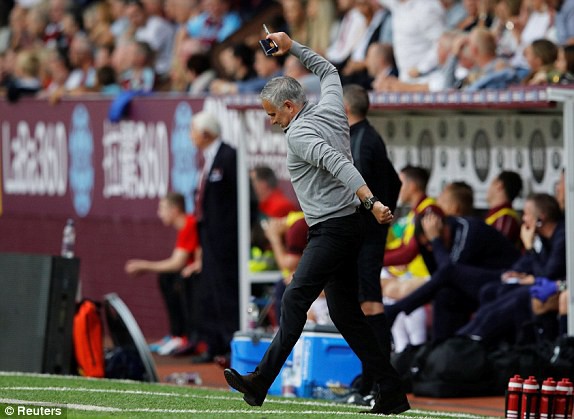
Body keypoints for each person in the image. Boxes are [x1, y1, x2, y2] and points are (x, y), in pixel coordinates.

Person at [223, 31, 409, 415]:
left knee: (294, 297)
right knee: (345, 314)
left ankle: (260, 380)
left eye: (273, 114)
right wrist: (292, 48)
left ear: (290, 107)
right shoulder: (331, 106)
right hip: (347, 227)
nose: (272, 122)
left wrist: (372, 201)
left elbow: (340, 164)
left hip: (334, 228)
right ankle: (390, 389)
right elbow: (327, 69)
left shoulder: (300, 134)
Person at [341, 83, 402, 405]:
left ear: (346, 108)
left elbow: (360, 186)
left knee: (369, 305)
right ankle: (371, 381)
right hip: (366, 235)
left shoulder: (362, 139)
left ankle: (377, 383)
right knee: (361, 305)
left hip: (364, 236)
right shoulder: (365, 135)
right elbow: (395, 181)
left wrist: (375, 219)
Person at [457, 193, 566, 346]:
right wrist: (517, 273)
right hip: (538, 284)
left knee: (507, 304)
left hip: (554, 289)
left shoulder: (562, 236)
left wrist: (529, 248)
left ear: (541, 218)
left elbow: (548, 275)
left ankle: (470, 343)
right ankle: (460, 340)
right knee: (492, 291)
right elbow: (529, 264)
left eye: (527, 214)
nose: (524, 219)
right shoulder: (542, 236)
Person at [124, 192, 201, 355]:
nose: (159, 214)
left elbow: (177, 263)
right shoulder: (184, 227)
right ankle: (176, 334)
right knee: (166, 277)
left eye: (162, 209)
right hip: (188, 276)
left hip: (198, 279)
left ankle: (184, 336)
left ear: (174, 210)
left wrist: (144, 266)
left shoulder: (189, 224)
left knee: (174, 277)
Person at [189, 110, 239, 363]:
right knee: (209, 290)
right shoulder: (208, 159)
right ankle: (214, 344)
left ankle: (232, 346)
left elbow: (241, 199)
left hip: (226, 240)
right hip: (208, 235)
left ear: (206, 133)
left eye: (193, 131)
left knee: (226, 291)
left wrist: (232, 235)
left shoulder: (229, 156)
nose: (191, 137)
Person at [484, 170, 522, 245]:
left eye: (492, 184)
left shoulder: (505, 218)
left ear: (499, 185)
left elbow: (497, 250)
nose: (488, 189)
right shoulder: (496, 215)